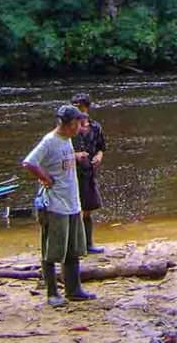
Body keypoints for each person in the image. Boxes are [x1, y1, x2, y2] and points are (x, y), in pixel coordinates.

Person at [22, 105, 96, 307]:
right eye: (78, 123)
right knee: (51, 251)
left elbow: (59, 161)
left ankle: (74, 290)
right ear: (70, 123)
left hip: (72, 203)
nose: (80, 126)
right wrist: (45, 178)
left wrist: (75, 157)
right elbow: (29, 163)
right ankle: (52, 293)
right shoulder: (49, 141)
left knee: (73, 250)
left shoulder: (67, 140)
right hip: (54, 205)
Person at [70, 92, 107, 254]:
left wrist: (99, 157)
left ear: (87, 108)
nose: (79, 111)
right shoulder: (69, 128)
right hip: (71, 174)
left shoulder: (96, 127)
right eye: (75, 107)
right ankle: (74, 247)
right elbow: (58, 152)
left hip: (88, 173)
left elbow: (101, 147)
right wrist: (75, 156)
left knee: (87, 210)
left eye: (81, 107)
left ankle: (88, 244)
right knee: (72, 211)